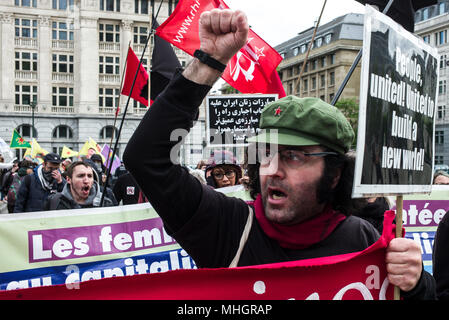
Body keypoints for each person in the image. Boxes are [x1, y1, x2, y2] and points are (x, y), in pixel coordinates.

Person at [123, 9, 434, 299]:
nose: (272, 169)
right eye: (266, 154)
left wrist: (417, 283)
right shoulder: (226, 226)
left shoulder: (360, 238)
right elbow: (146, 158)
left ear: (335, 173)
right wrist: (208, 62)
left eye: (294, 156)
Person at [45, 161, 115, 210]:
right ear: (69, 179)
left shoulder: (105, 204)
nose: (86, 181)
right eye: (81, 176)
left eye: (90, 176)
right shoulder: (54, 202)